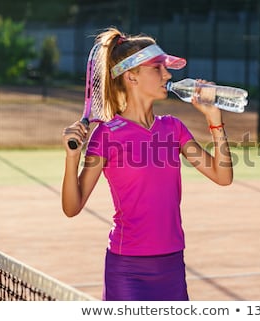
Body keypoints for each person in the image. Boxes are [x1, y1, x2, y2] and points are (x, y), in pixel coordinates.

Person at [61, 27, 233, 301]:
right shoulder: (106, 135)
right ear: (131, 76)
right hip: (127, 269)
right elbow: (72, 207)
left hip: (173, 264)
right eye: (157, 68)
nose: (167, 75)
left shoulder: (173, 128)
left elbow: (222, 176)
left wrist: (214, 118)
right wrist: (72, 158)